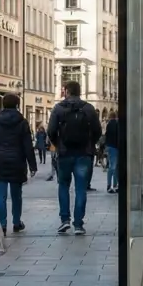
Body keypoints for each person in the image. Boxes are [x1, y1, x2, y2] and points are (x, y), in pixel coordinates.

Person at [47, 81, 103, 235]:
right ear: (79, 91)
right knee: (80, 189)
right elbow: (98, 130)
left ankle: (65, 220)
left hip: (64, 153)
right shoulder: (88, 108)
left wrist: (58, 144)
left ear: (66, 91)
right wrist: (90, 144)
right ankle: (78, 224)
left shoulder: (58, 108)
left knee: (63, 186)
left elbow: (51, 130)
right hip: (83, 154)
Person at [0, 93, 36, 235]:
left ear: (3, 104)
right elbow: (27, 145)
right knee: (16, 194)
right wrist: (32, 165)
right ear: (17, 105)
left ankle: (2, 224)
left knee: (1, 194)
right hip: (17, 161)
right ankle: (17, 222)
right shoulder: (22, 122)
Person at [105, 110, 121, 193]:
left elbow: (107, 136)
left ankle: (111, 185)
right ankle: (113, 185)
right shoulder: (117, 124)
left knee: (113, 166)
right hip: (116, 147)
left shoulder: (109, 124)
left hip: (111, 147)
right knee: (114, 167)